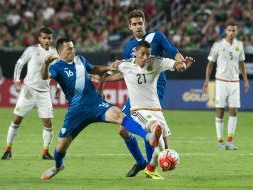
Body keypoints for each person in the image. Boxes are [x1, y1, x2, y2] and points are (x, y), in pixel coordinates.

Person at [40, 37, 162, 180]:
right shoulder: (56, 67)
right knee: (61, 146)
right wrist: (46, 64)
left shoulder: (81, 60)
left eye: (73, 47)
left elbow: (95, 69)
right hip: (76, 111)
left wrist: (109, 68)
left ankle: (148, 136)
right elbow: (44, 76)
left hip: (95, 103)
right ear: (60, 52)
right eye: (69, 48)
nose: (73, 50)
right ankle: (58, 166)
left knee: (119, 115)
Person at [98, 9, 186, 177]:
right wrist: (105, 80)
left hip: (154, 89)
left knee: (150, 128)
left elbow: (173, 51)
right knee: (123, 130)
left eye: (140, 23)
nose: (138, 26)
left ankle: (150, 167)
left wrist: (181, 62)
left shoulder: (157, 37)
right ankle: (141, 162)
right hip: (136, 92)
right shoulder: (130, 47)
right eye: (134, 24)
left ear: (145, 24)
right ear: (129, 27)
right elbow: (126, 72)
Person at [1, 27, 58, 160]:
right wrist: (16, 80)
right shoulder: (32, 50)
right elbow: (19, 64)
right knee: (16, 120)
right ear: (39, 38)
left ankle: (45, 152)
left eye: (49, 38)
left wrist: (60, 87)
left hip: (44, 93)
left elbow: (59, 71)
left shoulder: (55, 53)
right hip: (28, 91)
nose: (47, 40)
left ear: (52, 39)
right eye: (44, 37)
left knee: (48, 123)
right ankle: (8, 150)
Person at [203, 22, 249, 150]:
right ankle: (220, 141)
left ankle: (229, 141)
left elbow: (242, 64)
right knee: (220, 110)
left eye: (234, 30)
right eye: (229, 30)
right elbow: (210, 64)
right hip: (221, 81)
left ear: (237, 32)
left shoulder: (239, 45)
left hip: (234, 82)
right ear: (226, 31)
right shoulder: (217, 45)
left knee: (234, 110)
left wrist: (245, 80)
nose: (231, 33)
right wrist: (207, 80)